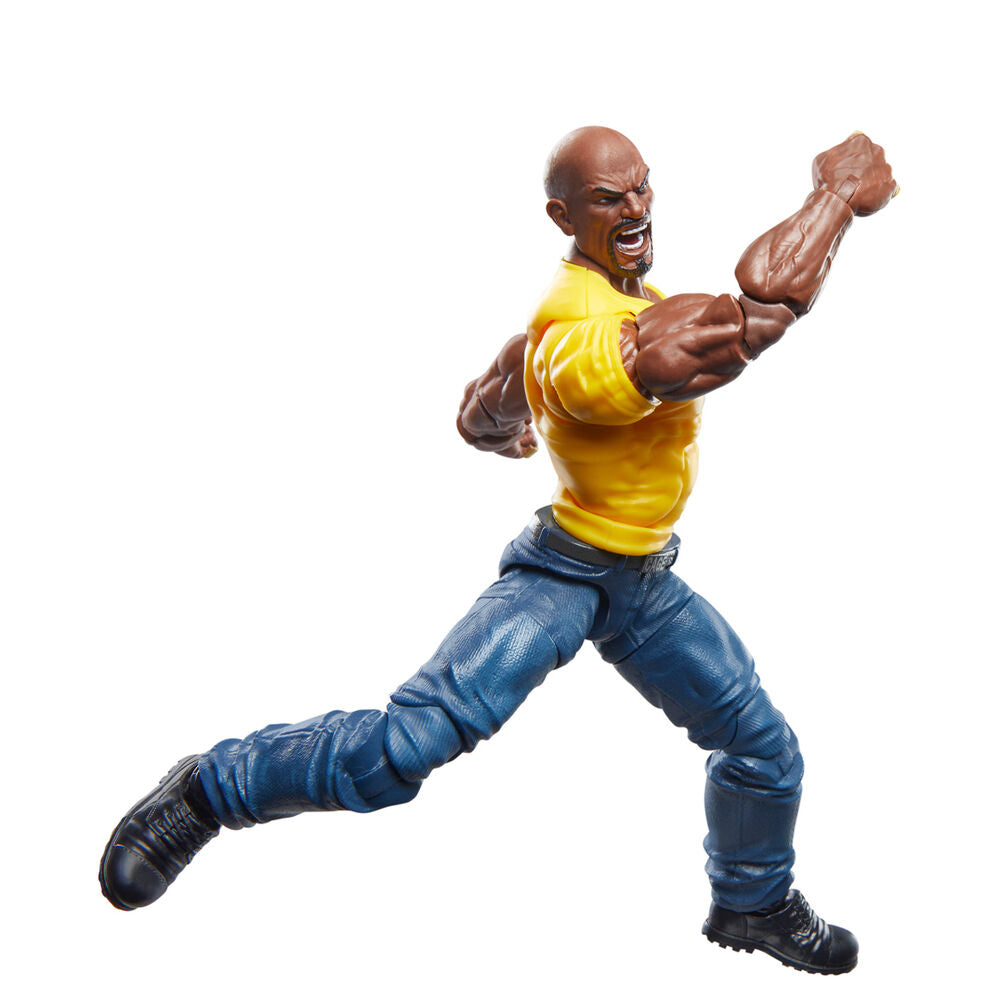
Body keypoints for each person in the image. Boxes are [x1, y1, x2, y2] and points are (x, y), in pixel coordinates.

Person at [100, 127, 896, 976]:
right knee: (403, 751)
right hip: (565, 576)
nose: (635, 208)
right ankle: (207, 791)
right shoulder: (589, 334)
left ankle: (751, 903)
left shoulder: (589, 312)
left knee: (765, 750)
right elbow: (750, 321)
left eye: (641, 187)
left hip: (644, 583)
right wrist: (834, 197)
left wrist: (508, 425)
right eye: (608, 198)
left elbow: (489, 403)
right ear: (563, 216)